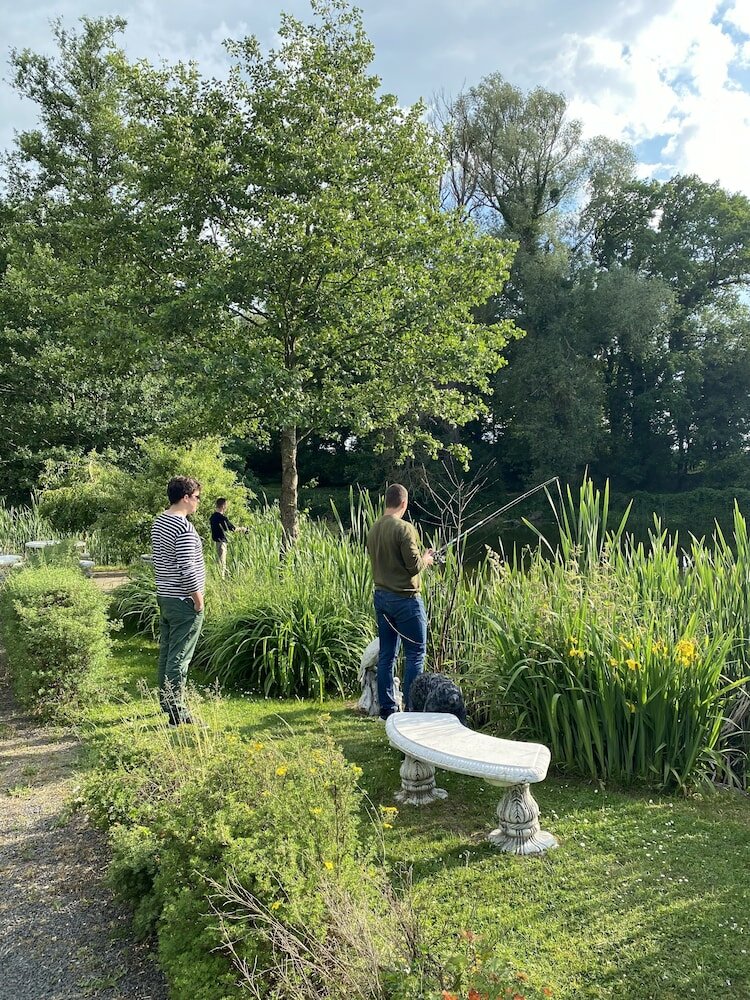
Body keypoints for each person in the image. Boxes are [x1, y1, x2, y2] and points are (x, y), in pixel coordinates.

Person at [366, 483, 434, 720]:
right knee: (415, 653)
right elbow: (413, 566)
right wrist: (426, 558)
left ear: (387, 501)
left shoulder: (374, 528)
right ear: (404, 503)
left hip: (381, 597)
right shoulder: (405, 528)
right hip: (405, 599)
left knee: (387, 654)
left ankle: (388, 709)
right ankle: (412, 711)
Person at [151, 476, 205, 725]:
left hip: (165, 596)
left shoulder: (159, 522)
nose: (198, 503)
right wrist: (197, 598)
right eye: (196, 497)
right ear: (185, 497)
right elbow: (187, 567)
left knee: (167, 653)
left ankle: (166, 702)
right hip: (183, 599)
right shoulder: (182, 527)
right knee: (179, 657)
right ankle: (177, 711)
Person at [209, 498, 246, 577]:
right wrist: (243, 529)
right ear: (223, 506)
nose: (227, 507)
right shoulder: (222, 518)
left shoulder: (212, 517)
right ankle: (220, 580)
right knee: (222, 563)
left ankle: (218, 577)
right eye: (226, 505)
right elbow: (233, 529)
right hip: (221, 542)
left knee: (218, 562)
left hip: (214, 542)